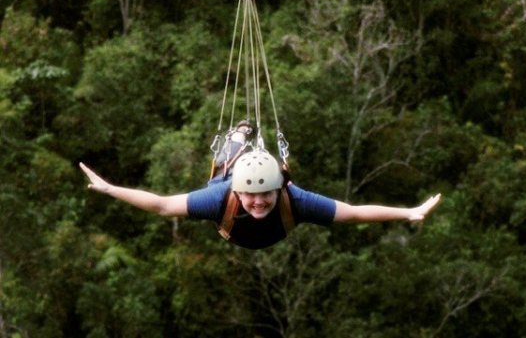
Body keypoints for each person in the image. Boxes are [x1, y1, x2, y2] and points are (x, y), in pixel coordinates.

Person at [80, 149, 441, 250]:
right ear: (239, 192)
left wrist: (410, 213)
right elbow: (161, 205)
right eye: (251, 196)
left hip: (269, 228)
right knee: (228, 160)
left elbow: (353, 214)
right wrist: (111, 188)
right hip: (230, 211)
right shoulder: (221, 197)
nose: (258, 203)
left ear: (279, 187)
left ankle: (242, 144)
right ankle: (235, 144)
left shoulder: (294, 199)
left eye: (264, 195)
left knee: (241, 160)